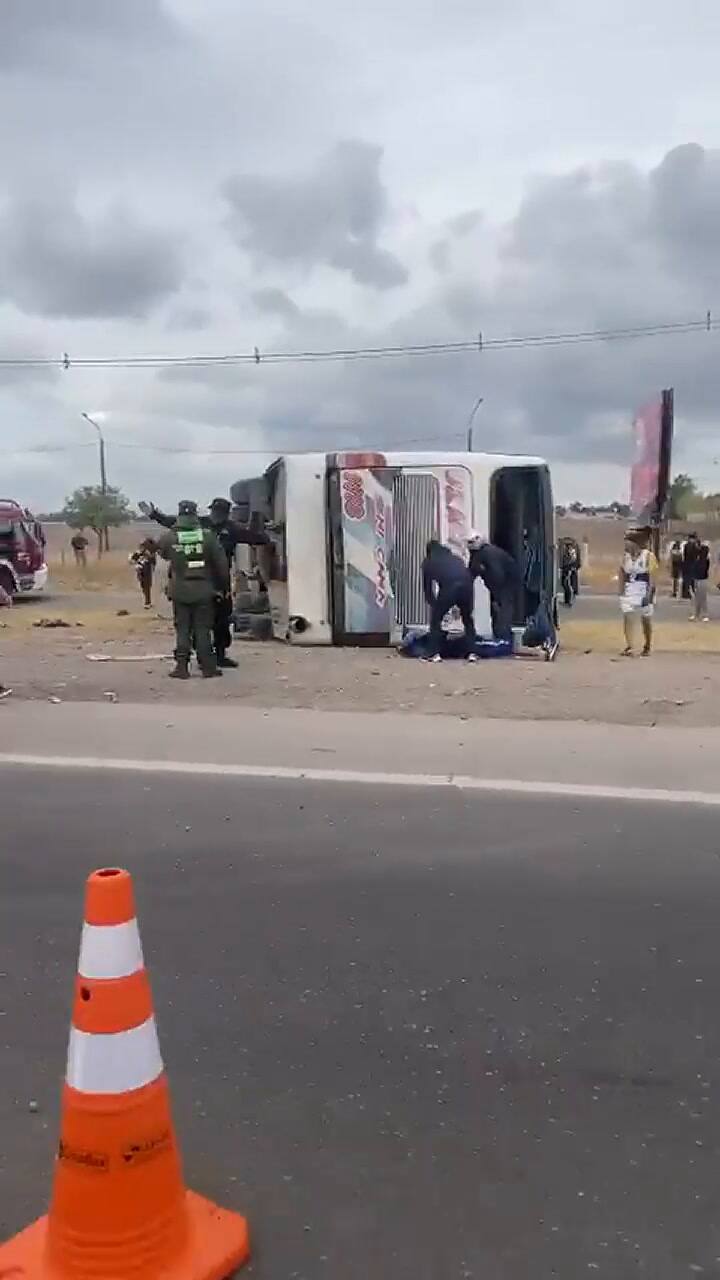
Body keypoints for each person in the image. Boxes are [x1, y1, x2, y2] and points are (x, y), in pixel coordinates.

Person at [144, 497, 268, 668]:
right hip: (203, 578)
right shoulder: (200, 526)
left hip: (218, 578)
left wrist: (261, 526)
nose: (215, 515)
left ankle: (218, 655)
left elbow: (257, 538)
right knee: (200, 622)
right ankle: (204, 657)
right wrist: (155, 515)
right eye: (214, 511)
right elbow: (173, 523)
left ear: (226, 514)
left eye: (219, 512)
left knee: (222, 620)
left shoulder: (231, 529)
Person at [156, 500, 230, 680]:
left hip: (180, 589)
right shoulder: (208, 536)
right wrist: (224, 588)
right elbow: (221, 566)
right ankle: (208, 667)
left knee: (182, 629)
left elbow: (164, 554)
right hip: (204, 589)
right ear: (196, 515)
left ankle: (181, 667)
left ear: (180, 514)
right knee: (203, 629)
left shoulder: (169, 537)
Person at [421, 539, 477, 662]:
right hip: (467, 587)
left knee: (436, 621)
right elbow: (466, 575)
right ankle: (472, 652)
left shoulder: (429, 562)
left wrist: (436, 607)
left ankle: (433, 653)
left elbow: (428, 588)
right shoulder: (456, 558)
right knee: (468, 619)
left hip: (449, 587)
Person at [468, 535, 521, 641]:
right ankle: (501, 634)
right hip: (504, 581)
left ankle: (503, 636)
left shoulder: (486, 553)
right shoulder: (480, 554)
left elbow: (497, 574)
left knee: (504, 606)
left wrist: (496, 591)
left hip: (506, 582)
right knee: (501, 607)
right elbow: (472, 572)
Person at [619, 528, 657, 657]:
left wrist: (649, 594)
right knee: (628, 617)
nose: (625, 545)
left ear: (634, 543)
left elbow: (652, 577)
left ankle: (647, 645)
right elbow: (622, 573)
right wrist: (621, 590)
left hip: (643, 589)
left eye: (627, 542)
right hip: (630, 589)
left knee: (646, 619)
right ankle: (630, 646)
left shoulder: (648, 556)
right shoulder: (626, 557)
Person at [129, 538, 157, 609]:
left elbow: (153, 562)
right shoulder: (140, 553)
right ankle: (147, 602)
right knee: (145, 587)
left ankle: (147, 602)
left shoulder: (148, 553)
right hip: (142, 571)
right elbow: (132, 560)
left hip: (145, 571)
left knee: (146, 587)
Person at [690, 539, 710, 623]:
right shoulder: (698, 560)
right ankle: (696, 614)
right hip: (697, 579)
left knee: (702, 598)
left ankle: (705, 615)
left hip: (703, 580)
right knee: (696, 598)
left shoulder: (705, 560)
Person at [681, 533, 700, 600]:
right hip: (691, 564)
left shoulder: (686, 545)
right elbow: (696, 554)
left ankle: (686, 593)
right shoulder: (693, 545)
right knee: (690, 579)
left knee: (687, 579)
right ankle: (687, 592)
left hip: (686, 564)